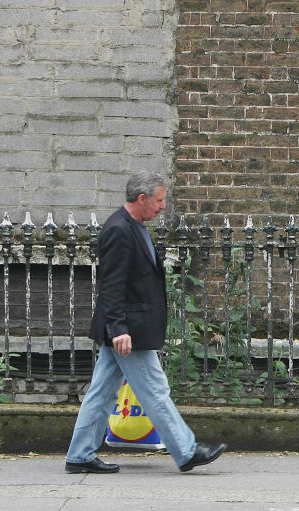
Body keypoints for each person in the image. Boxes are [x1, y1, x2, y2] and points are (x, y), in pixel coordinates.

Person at [65, 171, 227, 473]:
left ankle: (80, 454)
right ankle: (186, 450)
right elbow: (111, 285)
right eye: (159, 200)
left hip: (128, 327)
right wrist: (118, 329)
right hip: (128, 329)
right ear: (142, 199)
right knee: (154, 388)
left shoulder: (134, 226)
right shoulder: (119, 230)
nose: (163, 206)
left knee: (101, 393)